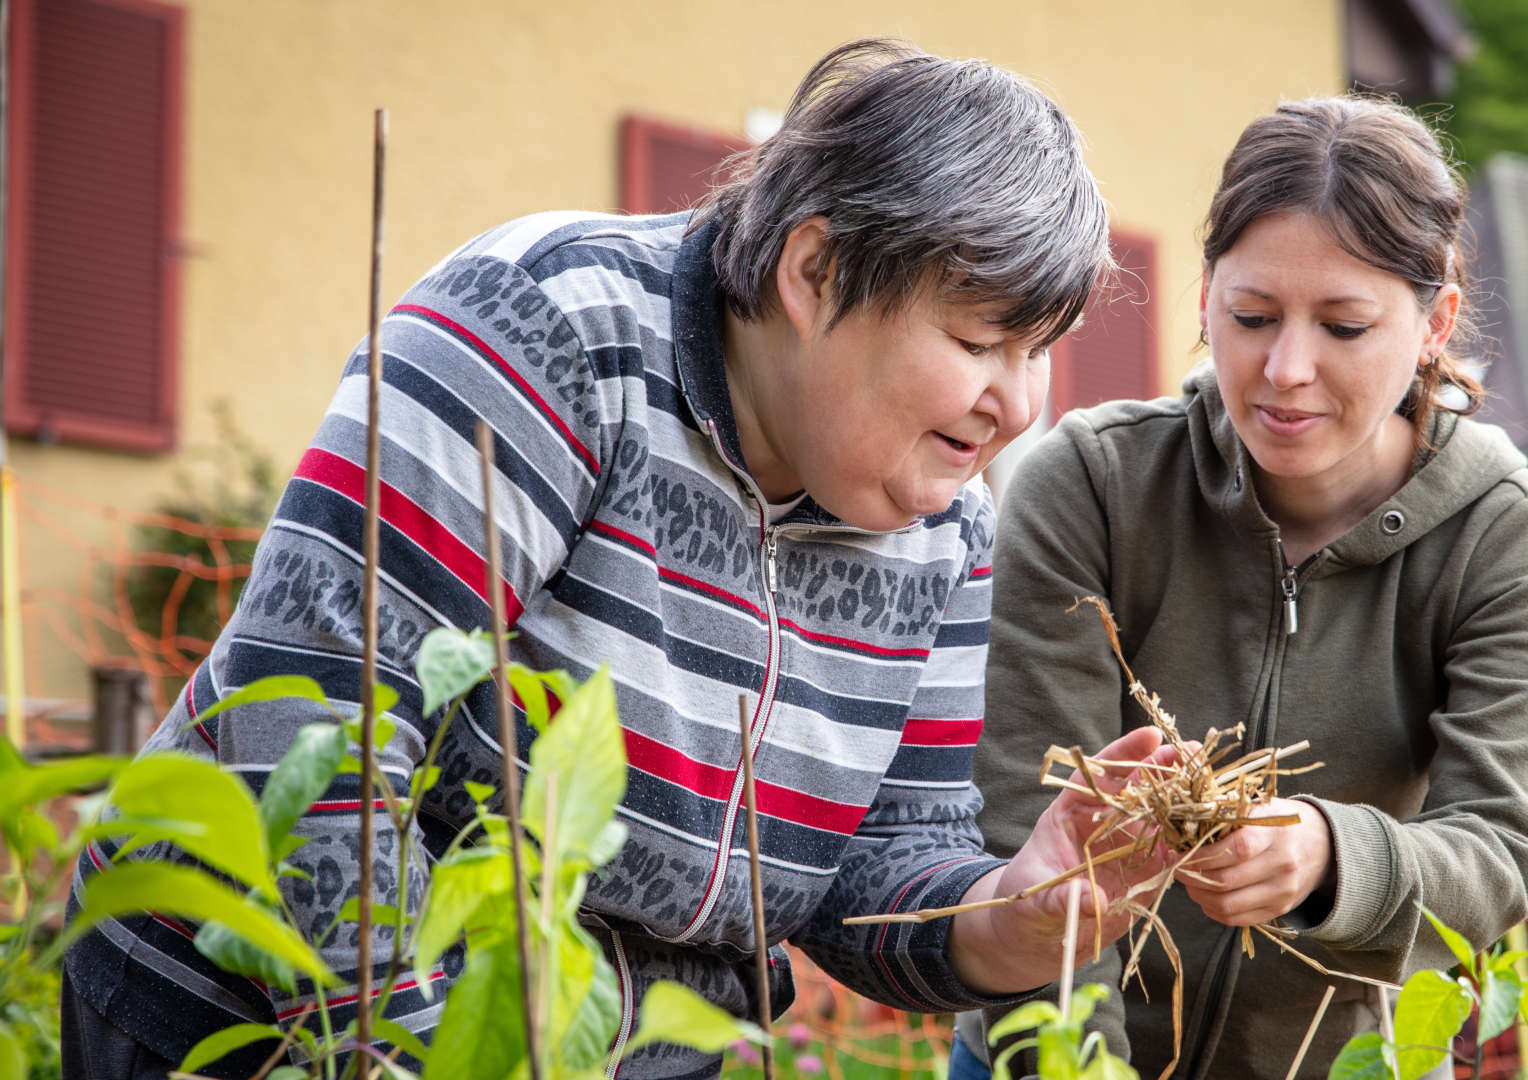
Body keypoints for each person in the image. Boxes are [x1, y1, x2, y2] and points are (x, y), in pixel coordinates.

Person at [61, 39, 1177, 1080]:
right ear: (816, 271)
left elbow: (877, 865)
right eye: (980, 342)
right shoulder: (543, 330)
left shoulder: (944, 518)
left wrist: (1015, 911)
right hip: (245, 1009)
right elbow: (306, 721)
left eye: (1039, 351)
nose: (1018, 405)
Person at [952, 95, 1528, 1080]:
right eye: (1251, 317)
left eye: (1343, 325)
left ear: (1436, 323)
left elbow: (1501, 849)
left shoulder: (1506, 541)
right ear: (1206, 292)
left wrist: (1335, 856)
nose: (1286, 370)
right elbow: (1022, 833)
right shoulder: (1092, 486)